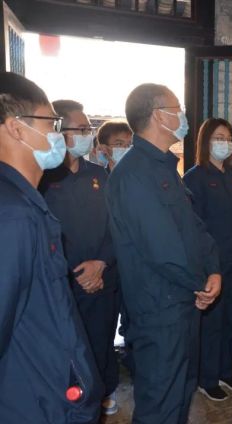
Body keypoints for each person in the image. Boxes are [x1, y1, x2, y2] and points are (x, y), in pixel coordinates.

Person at [106, 83, 222, 424]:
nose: (182, 116)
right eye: (178, 109)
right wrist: (201, 283)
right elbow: (163, 249)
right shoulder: (133, 175)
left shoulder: (164, 168)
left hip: (182, 305)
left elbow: (195, 229)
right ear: (160, 115)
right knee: (159, 405)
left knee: (180, 397)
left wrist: (213, 269)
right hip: (158, 313)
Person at [0, 72, 102, 422]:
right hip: (35, 402)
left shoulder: (24, 202)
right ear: (15, 128)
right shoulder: (12, 214)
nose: (57, 135)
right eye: (51, 123)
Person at [38, 99, 120, 416]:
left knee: (100, 342)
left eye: (89, 128)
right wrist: (77, 272)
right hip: (64, 283)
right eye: (81, 128)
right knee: (69, 347)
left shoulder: (100, 175)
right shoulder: (43, 177)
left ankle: (101, 394)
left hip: (103, 278)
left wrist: (101, 263)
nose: (88, 134)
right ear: (60, 131)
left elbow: (118, 227)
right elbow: (44, 234)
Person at [183, 118, 232, 401]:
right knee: (211, 321)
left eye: (228, 138)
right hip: (212, 266)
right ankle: (206, 377)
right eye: (219, 137)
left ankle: (225, 370)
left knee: (230, 319)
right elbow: (192, 227)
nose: (225, 143)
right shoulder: (194, 177)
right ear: (206, 141)